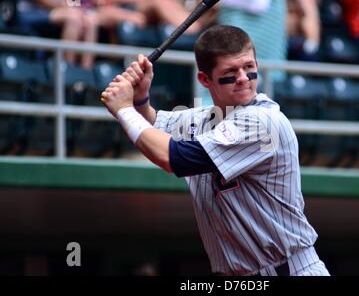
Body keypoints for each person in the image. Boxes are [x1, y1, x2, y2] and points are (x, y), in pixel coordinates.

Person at [101, 25, 329, 276]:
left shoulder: (263, 122)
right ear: (205, 79)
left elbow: (171, 157)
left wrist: (123, 109)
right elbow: (152, 128)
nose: (243, 77)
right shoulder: (206, 118)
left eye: (249, 67)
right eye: (231, 71)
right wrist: (140, 98)